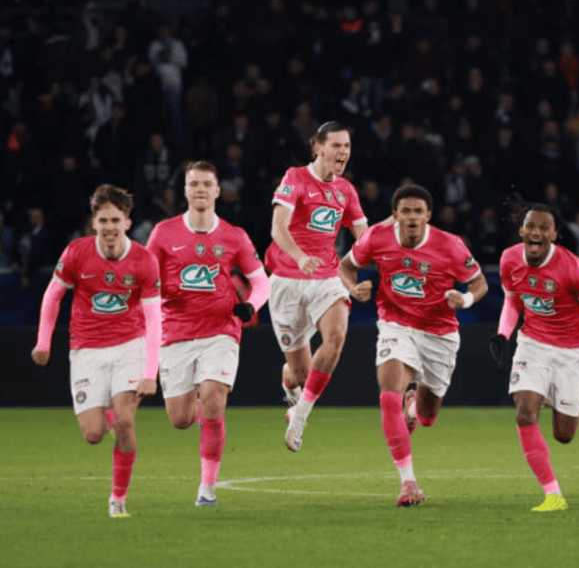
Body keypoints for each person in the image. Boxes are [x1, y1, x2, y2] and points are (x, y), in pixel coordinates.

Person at [339, 184, 488, 507]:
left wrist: (465, 298)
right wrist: (353, 289)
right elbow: (346, 266)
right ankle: (408, 482)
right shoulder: (376, 237)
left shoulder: (450, 245)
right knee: (387, 395)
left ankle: (415, 405)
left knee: (428, 415)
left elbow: (480, 282)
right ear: (395, 215)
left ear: (428, 215)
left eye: (418, 211)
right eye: (405, 211)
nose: (411, 217)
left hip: (439, 333)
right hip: (396, 325)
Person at [30, 184, 162, 518]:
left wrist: (150, 372)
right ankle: (107, 417)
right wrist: (44, 341)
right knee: (93, 435)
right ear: (94, 222)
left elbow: (153, 319)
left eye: (115, 220)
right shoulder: (76, 253)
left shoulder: (144, 260)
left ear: (127, 222)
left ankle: (118, 499)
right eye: (103, 220)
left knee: (126, 423)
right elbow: (52, 296)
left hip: (129, 346)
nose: (109, 227)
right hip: (86, 350)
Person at [145, 162, 271, 506]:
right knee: (181, 420)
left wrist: (251, 306)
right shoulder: (163, 233)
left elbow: (261, 282)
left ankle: (207, 489)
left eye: (206, 184)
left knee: (214, 401)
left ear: (217, 191)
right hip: (176, 334)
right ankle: (200, 406)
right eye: (194, 184)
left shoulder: (234, 236)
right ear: (185, 190)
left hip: (221, 331)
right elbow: (145, 280)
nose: (200, 189)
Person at [489, 203, 579, 512]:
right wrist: (502, 334)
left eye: (543, 228)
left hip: (572, 350)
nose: (536, 232)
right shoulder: (510, 259)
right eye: (530, 226)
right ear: (521, 231)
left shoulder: (574, 269)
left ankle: (547, 393)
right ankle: (553, 495)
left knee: (564, 435)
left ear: (554, 235)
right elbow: (512, 301)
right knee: (524, 413)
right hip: (533, 342)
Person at [267, 122, 368, 451]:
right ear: (318, 148)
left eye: (347, 146)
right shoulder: (294, 177)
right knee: (301, 375)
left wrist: (394, 238)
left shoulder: (346, 190)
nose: (343, 152)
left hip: (326, 278)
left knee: (336, 337)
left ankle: (300, 418)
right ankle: (290, 383)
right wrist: (298, 257)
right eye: (336, 145)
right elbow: (278, 228)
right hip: (287, 280)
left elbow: (364, 239)